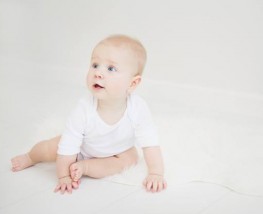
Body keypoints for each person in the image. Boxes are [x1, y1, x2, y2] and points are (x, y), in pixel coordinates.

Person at [10, 34, 167, 193]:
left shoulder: (138, 108)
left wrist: (156, 173)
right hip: (82, 148)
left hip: (118, 150)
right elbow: (69, 145)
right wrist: (63, 176)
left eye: (111, 68)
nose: (98, 73)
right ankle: (30, 156)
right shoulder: (84, 108)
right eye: (95, 65)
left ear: (133, 83)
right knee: (50, 148)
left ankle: (86, 167)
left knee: (131, 158)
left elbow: (150, 142)